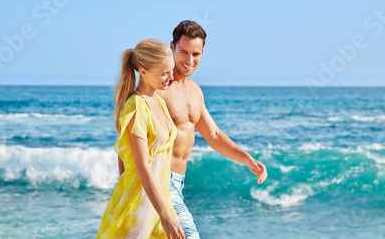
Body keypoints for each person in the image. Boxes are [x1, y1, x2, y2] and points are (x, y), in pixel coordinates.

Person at [156, 21, 268, 239]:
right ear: (171, 47)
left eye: (196, 54)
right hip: (160, 181)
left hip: (178, 183)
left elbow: (213, 135)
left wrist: (246, 159)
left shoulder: (195, 91)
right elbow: (132, 136)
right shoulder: (159, 89)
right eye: (184, 52)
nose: (189, 61)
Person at [97, 38, 185, 239]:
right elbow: (141, 166)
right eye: (164, 73)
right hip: (138, 209)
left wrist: (166, 210)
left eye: (171, 70)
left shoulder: (160, 102)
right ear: (143, 71)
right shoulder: (136, 105)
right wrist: (164, 214)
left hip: (159, 204)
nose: (171, 77)